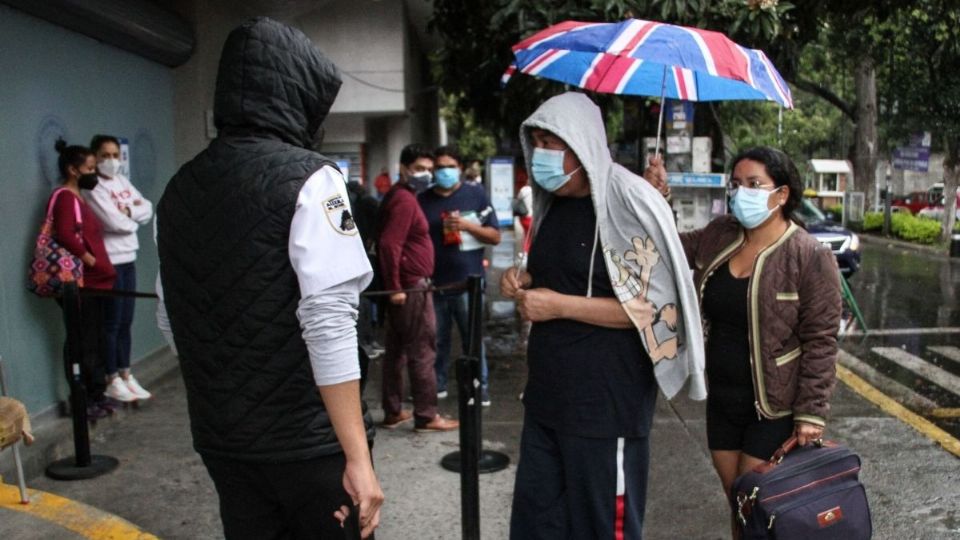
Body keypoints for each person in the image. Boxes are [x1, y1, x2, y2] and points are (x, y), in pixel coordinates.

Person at [155, 18, 382, 538]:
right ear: (298, 95)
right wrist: (358, 457)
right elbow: (329, 319)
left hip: (222, 439)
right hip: (306, 443)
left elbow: (171, 316)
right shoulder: (312, 178)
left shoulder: (179, 187)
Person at [500, 92, 705, 539]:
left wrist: (556, 306)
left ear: (583, 142)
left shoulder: (629, 202)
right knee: (538, 524)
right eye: (535, 141)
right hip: (547, 398)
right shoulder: (552, 203)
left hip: (604, 405)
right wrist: (523, 279)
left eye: (552, 142)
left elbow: (650, 311)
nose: (541, 154)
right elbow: (563, 273)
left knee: (601, 527)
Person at [644, 148, 841, 538]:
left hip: (773, 408)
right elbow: (668, 247)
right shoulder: (721, 234)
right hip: (723, 400)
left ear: (781, 194)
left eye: (754, 184)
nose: (742, 193)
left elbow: (821, 340)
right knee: (736, 501)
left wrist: (811, 413)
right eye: (737, 184)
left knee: (758, 503)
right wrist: (657, 197)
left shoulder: (808, 255)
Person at [376, 144, 459, 432]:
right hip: (411, 288)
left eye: (429, 170)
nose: (426, 175)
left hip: (405, 287)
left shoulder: (403, 197)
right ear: (403, 168)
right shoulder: (404, 200)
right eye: (419, 169)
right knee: (423, 349)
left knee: (396, 350)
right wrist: (396, 286)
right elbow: (389, 244)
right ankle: (426, 414)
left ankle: (393, 410)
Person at [418, 144, 500, 405]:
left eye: (450, 166)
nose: (444, 171)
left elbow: (494, 235)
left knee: (473, 341)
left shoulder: (475, 195)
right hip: (435, 284)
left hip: (469, 283)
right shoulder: (423, 199)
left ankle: (480, 388)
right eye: (440, 167)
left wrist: (467, 225)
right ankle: (438, 385)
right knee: (437, 340)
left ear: (460, 169)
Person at [50, 140, 117, 419]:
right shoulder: (65, 197)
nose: (94, 173)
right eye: (89, 168)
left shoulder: (79, 198)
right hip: (82, 283)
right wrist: (90, 260)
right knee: (83, 341)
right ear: (73, 170)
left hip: (97, 282)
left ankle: (96, 393)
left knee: (96, 338)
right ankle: (84, 397)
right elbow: (64, 234)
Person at [85, 134, 153, 403]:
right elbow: (114, 223)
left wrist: (129, 212)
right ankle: (111, 376)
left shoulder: (122, 181)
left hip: (129, 257)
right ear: (95, 157)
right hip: (110, 260)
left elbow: (147, 208)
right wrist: (130, 213)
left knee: (126, 321)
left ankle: (126, 373)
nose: (111, 161)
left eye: (115, 155)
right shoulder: (94, 187)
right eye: (105, 156)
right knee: (110, 323)